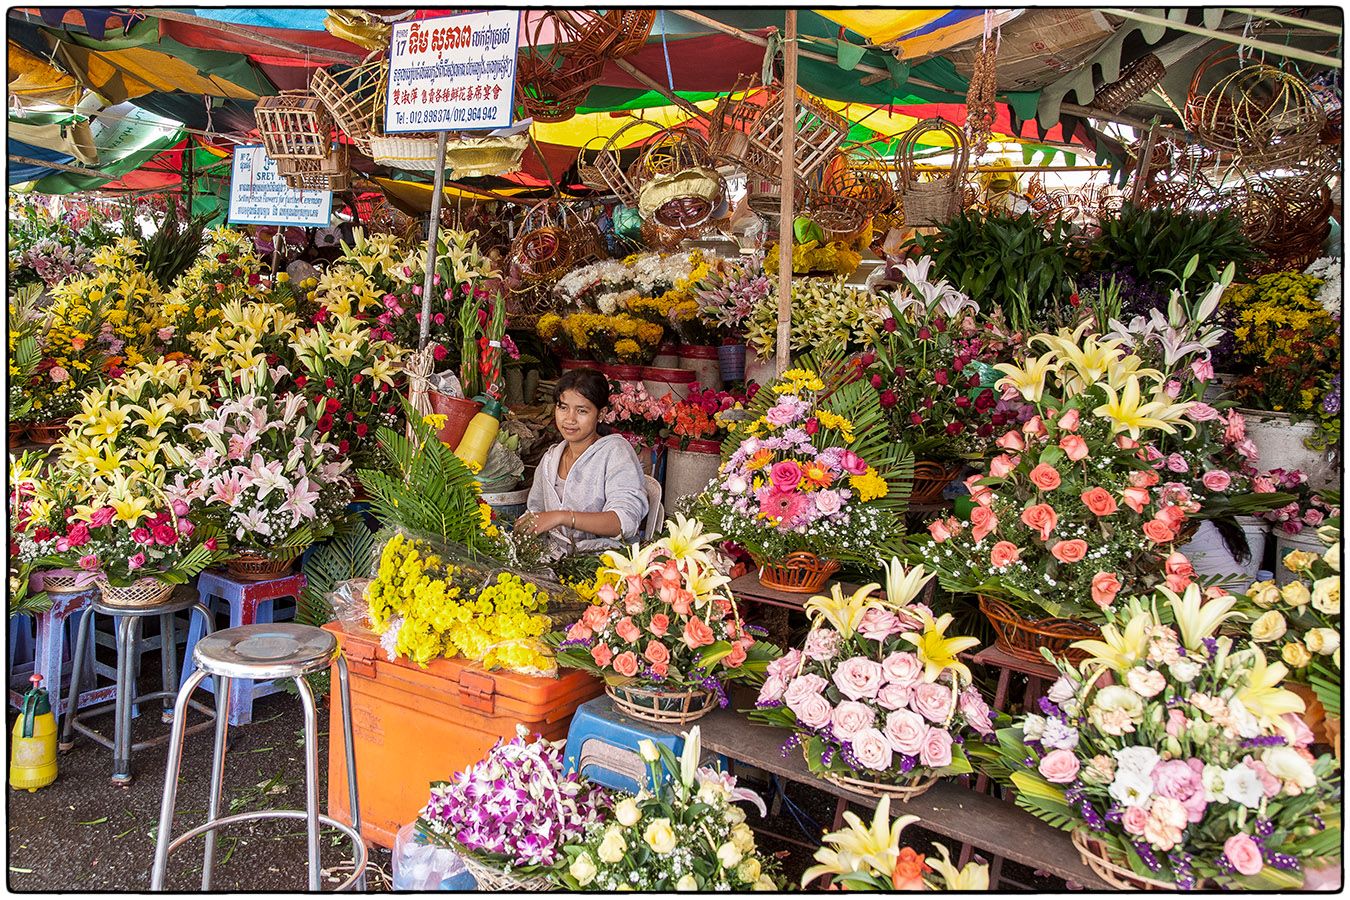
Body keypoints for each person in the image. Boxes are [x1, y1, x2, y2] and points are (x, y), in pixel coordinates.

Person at [520, 368, 649, 556]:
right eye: (563, 407)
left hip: (604, 564)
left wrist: (562, 517)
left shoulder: (615, 453)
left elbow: (624, 522)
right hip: (555, 561)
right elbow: (536, 512)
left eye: (582, 410)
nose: (569, 419)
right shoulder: (550, 459)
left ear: (601, 414)